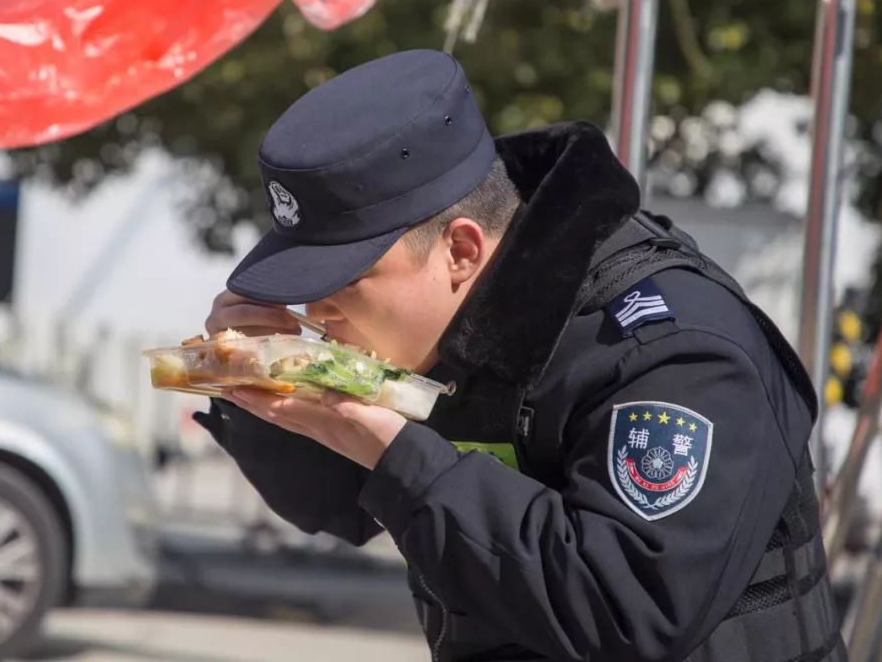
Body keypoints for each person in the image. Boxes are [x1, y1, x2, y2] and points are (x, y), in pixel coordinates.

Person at [194, 49, 846, 662]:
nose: (316, 314)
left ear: (461, 250)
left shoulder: (671, 352)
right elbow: (337, 503)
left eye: (345, 282)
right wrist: (261, 397)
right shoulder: (448, 333)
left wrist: (403, 458)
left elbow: (630, 609)